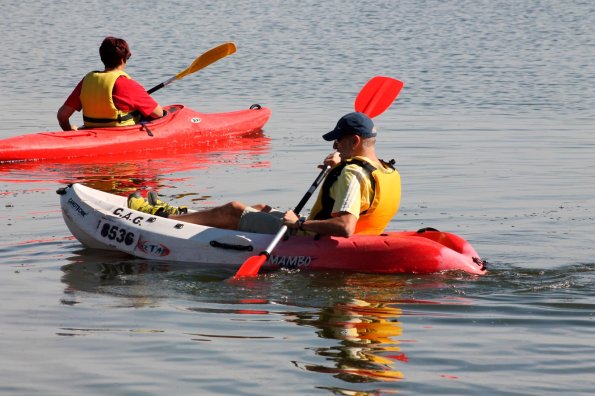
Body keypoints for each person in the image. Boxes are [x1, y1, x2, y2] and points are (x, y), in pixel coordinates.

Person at [128, 112, 401, 237]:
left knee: (234, 210)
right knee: (259, 208)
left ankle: (164, 219)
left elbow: (345, 227)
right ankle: (183, 214)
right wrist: (338, 164)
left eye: (338, 141)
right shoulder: (386, 169)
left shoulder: (351, 174)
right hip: (364, 238)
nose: (333, 146)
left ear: (354, 141)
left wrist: (299, 225)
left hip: (311, 238)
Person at [57, 36, 164, 131]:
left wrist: (70, 133)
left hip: (90, 132)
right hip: (118, 135)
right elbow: (159, 114)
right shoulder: (128, 84)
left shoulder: (87, 81)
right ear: (123, 59)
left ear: (102, 58)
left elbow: (62, 116)